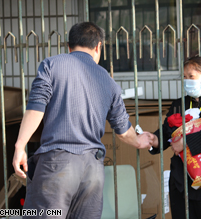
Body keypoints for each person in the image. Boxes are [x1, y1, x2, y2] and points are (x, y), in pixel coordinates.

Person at [12, 22, 153, 219]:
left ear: (69, 47)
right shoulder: (108, 82)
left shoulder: (51, 65)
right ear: (98, 47)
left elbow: (36, 107)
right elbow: (122, 129)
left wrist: (20, 146)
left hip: (57, 165)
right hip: (92, 171)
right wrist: (141, 139)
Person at [147, 55, 201, 219]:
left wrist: (186, 143)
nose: (186, 81)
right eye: (184, 77)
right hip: (182, 187)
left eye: (191, 77)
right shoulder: (179, 104)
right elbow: (166, 132)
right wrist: (154, 140)